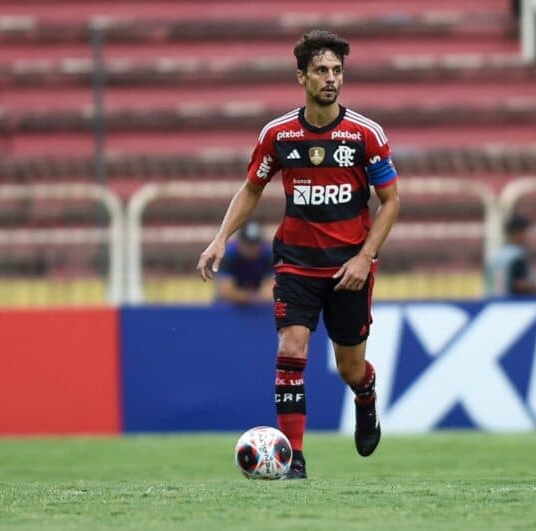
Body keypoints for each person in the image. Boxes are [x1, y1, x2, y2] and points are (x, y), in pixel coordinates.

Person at [196, 30, 400, 479]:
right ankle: (297, 459)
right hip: (296, 262)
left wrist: (366, 256)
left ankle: (366, 396)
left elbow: (392, 202)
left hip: (350, 266)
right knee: (292, 347)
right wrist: (220, 238)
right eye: (322, 71)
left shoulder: (365, 134)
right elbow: (251, 189)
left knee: (350, 368)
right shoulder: (279, 134)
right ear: (301, 77)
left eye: (337, 71)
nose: (331, 79)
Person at [214, 220, 275, 305]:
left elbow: (271, 290)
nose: (252, 249)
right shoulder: (229, 255)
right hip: (229, 307)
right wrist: (253, 297)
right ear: (240, 242)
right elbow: (226, 291)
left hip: (259, 308)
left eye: (255, 244)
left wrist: (260, 296)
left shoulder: (268, 255)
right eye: (248, 244)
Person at [485, 214, 536, 296]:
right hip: (512, 304)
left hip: (493, 303)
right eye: (526, 232)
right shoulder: (516, 257)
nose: (529, 237)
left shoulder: (497, 256)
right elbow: (519, 285)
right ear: (517, 233)